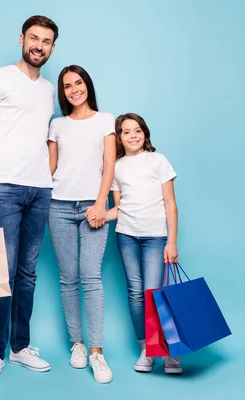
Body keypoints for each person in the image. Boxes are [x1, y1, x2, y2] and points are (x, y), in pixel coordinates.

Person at [0, 15, 59, 386]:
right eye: (33, 38)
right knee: (1, 273)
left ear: (52, 48)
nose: (39, 45)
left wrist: (50, 177)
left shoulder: (49, 89)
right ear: (22, 39)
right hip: (4, 185)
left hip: (41, 189)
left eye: (46, 41)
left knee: (28, 272)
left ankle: (20, 347)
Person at [47, 65, 116, 383]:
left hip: (93, 208)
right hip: (58, 206)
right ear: (62, 92)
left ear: (87, 85)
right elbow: (49, 167)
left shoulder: (105, 121)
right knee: (68, 277)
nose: (74, 89)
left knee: (91, 277)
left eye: (78, 83)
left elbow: (109, 166)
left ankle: (97, 352)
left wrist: (101, 204)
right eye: (67, 85)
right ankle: (77, 344)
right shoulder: (57, 124)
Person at [105, 113, 183, 374]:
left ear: (145, 133)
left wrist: (171, 242)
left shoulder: (158, 161)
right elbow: (118, 208)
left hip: (155, 237)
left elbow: (171, 205)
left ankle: (169, 350)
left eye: (137, 130)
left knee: (153, 293)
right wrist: (99, 215)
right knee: (135, 293)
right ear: (119, 138)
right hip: (126, 235)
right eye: (126, 132)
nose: (133, 136)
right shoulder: (115, 166)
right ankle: (147, 348)